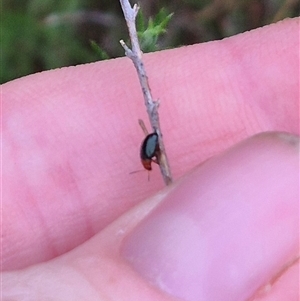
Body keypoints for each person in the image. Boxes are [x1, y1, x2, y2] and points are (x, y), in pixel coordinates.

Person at [2, 17, 299, 301]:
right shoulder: (148, 158)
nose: (147, 167)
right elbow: (150, 148)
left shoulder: (149, 156)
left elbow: (150, 148)